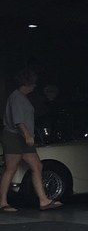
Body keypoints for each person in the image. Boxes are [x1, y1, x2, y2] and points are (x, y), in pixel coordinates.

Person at [0, 69, 62, 212]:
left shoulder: (23, 97)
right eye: (33, 83)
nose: (35, 86)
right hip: (14, 137)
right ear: (27, 83)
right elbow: (18, 121)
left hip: (23, 138)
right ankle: (2, 202)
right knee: (10, 168)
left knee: (37, 166)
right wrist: (27, 135)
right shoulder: (16, 97)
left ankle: (43, 200)